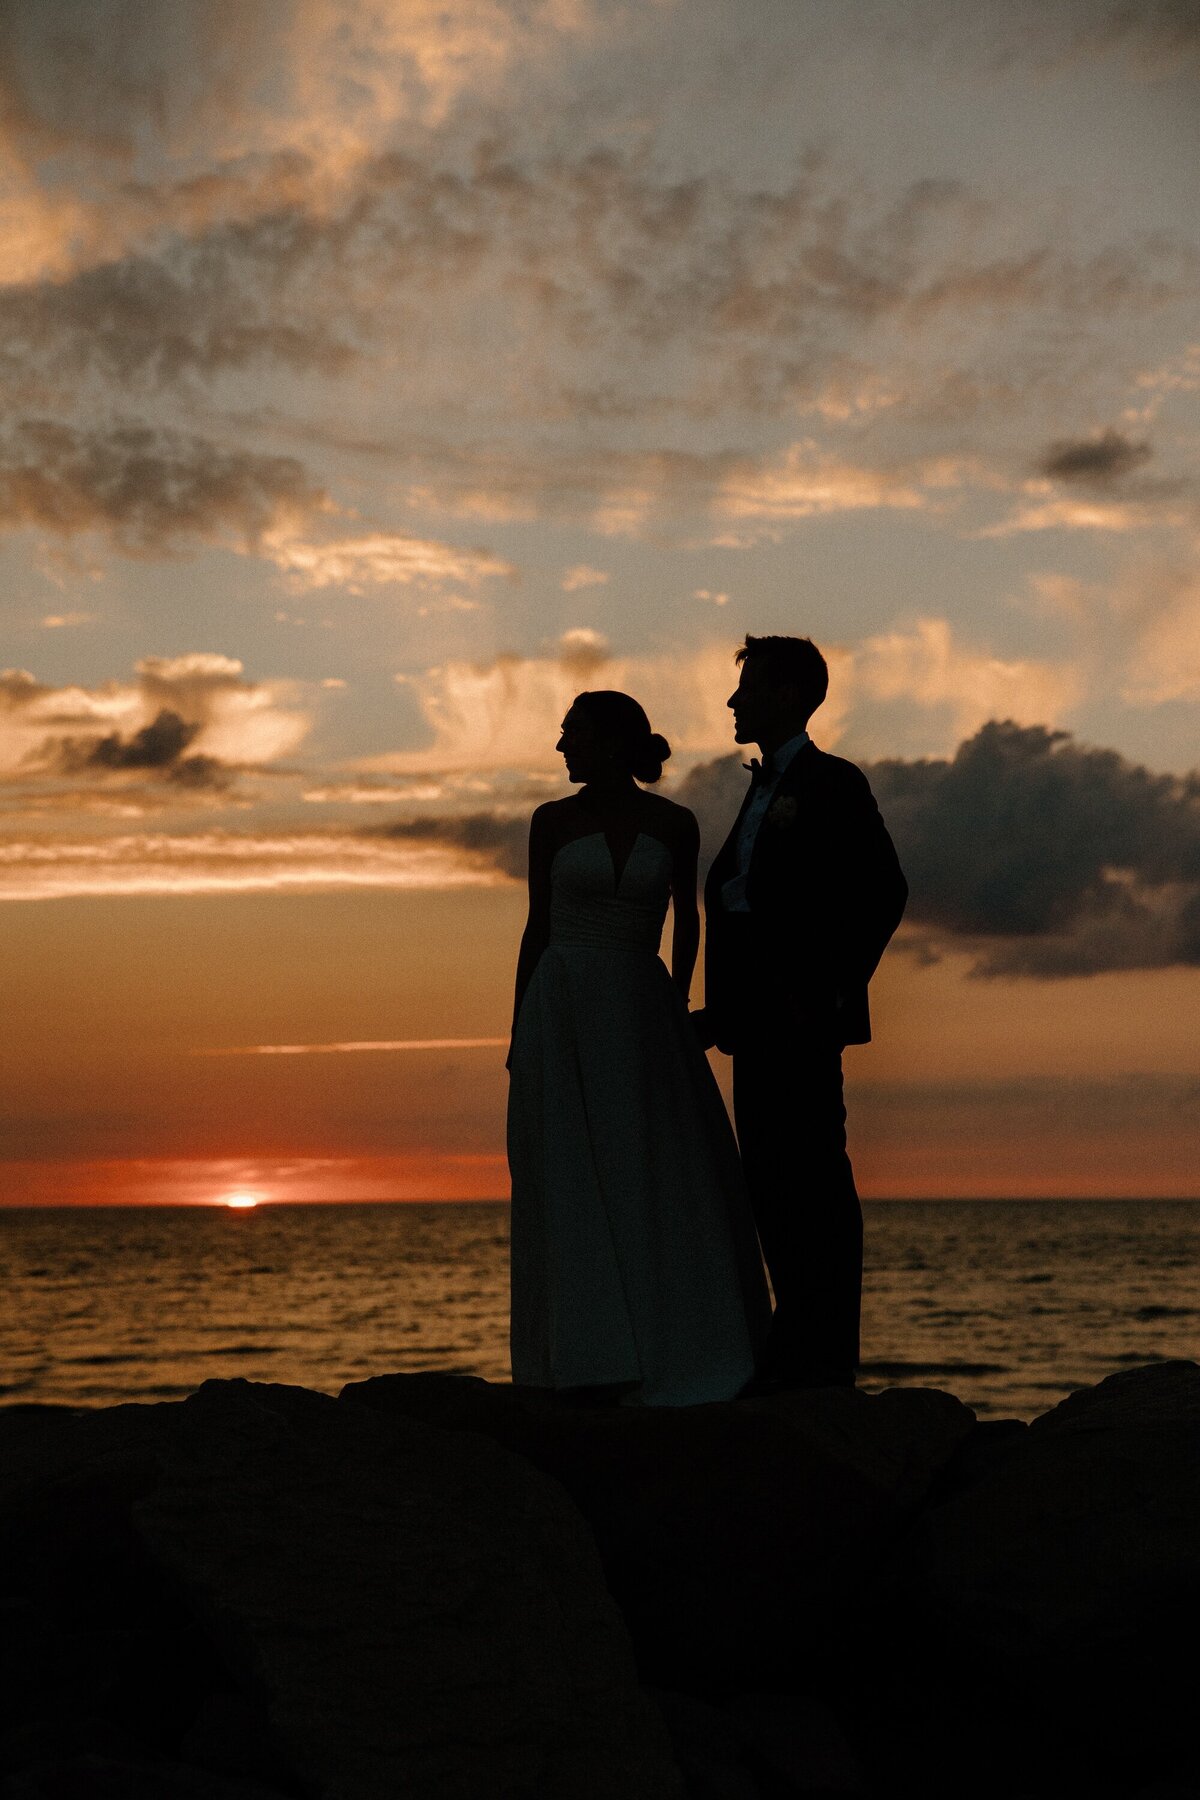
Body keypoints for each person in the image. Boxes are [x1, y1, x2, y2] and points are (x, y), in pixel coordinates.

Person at [507, 689, 770, 1405]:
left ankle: (677, 1342)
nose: (563, 746)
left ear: (614, 742)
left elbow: (690, 917)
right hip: (559, 1006)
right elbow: (538, 928)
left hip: (644, 1001)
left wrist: (678, 997)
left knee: (654, 1162)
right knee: (571, 1170)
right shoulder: (551, 822)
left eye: (574, 733)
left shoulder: (674, 823)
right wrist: (517, 1032)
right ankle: (584, 1353)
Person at [693, 636, 908, 1390]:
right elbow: (740, 903)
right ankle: (797, 1343)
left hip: (800, 1022)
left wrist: (824, 992)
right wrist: (719, 1013)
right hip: (753, 1026)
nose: (732, 701)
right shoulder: (758, 791)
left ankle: (822, 1357)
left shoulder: (832, 783)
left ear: (787, 694)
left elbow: (883, 891)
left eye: (746, 686)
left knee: (811, 1179)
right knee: (772, 1183)